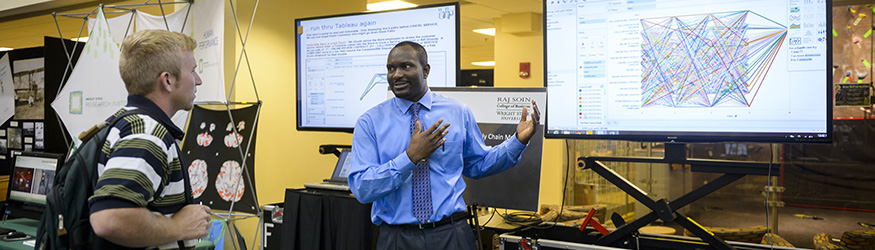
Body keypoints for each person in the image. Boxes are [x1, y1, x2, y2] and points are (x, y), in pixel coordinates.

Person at [348, 41, 540, 250]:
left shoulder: (457, 112)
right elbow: (362, 188)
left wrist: (518, 141)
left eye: (406, 66)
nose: (396, 75)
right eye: (390, 69)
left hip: (452, 235)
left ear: (426, 70)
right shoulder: (370, 122)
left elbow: (479, 164)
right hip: (396, 238)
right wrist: (410, 158)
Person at [88, 29, 211, 249]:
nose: (198, 80)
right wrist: (178, 228)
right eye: (192, 71)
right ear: (168, 81)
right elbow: (108, 219)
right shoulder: (147, 133)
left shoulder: (123, 123)